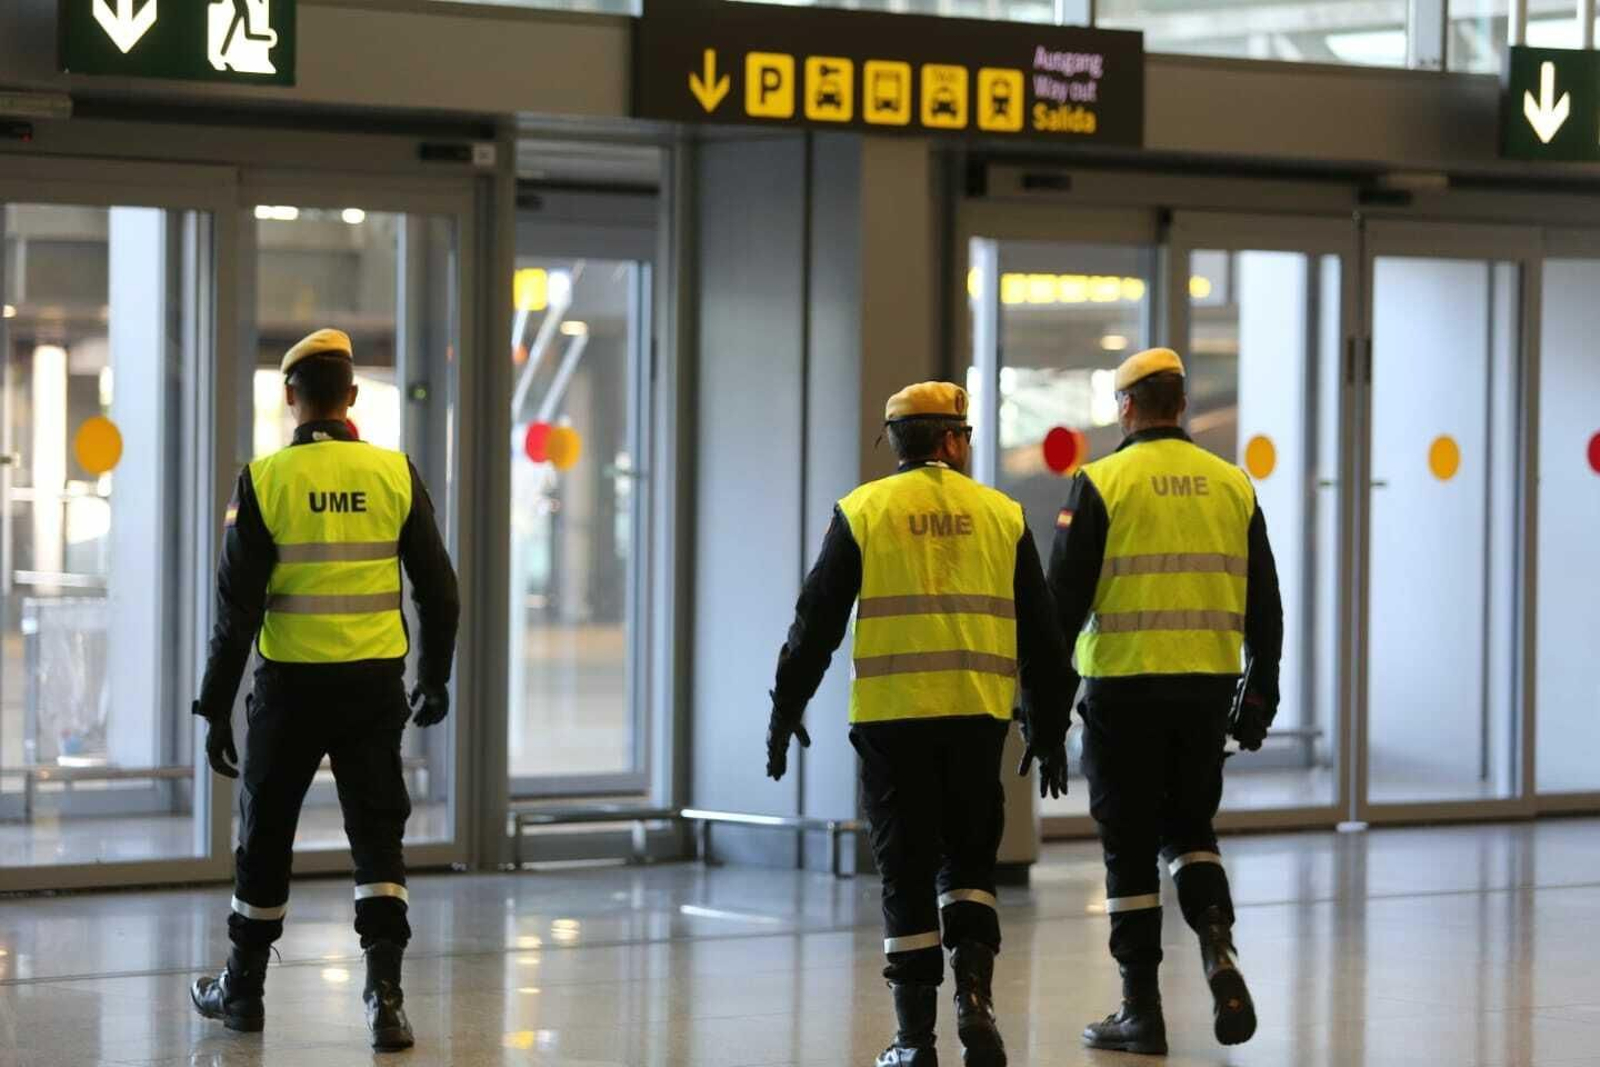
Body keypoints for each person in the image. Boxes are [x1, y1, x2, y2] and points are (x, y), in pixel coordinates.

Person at [767, 382, 1071, 1067]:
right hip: (977, 716)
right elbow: (1046, 637)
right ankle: (976, 1004)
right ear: (953, 439)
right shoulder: (1002, 514)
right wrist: (1049, 727)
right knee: (968, 865)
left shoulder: (863, 510)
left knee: (905, 871)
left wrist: (786, 707)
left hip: (892, 720)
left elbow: (814, 623)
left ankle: (914, 1041)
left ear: (898, 442)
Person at [188, 328, 460, 1052]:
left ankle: (242, 989)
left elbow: (235, 611)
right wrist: (434, 675)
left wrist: (215, 706)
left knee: (266, 833)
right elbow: (440, 590)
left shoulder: (267, 478)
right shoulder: (394, 474)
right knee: (378, 836)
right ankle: (387, 999)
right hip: (374, 690)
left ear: (288, 396)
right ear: (352, 396)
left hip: (290, 692)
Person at [1045, 348, 1283, 1056]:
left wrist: (1047, 710)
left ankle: (1139, 1009)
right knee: (1189, 826)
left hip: (1123, 693)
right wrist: (1260, 689)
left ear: (1126, 407)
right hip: (1205, 691)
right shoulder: (1231, 484)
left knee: (1128, 846)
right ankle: (1218, 946)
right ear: (1179, 405)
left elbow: (1062, 607)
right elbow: (1265, 602)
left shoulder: (1102, 481)